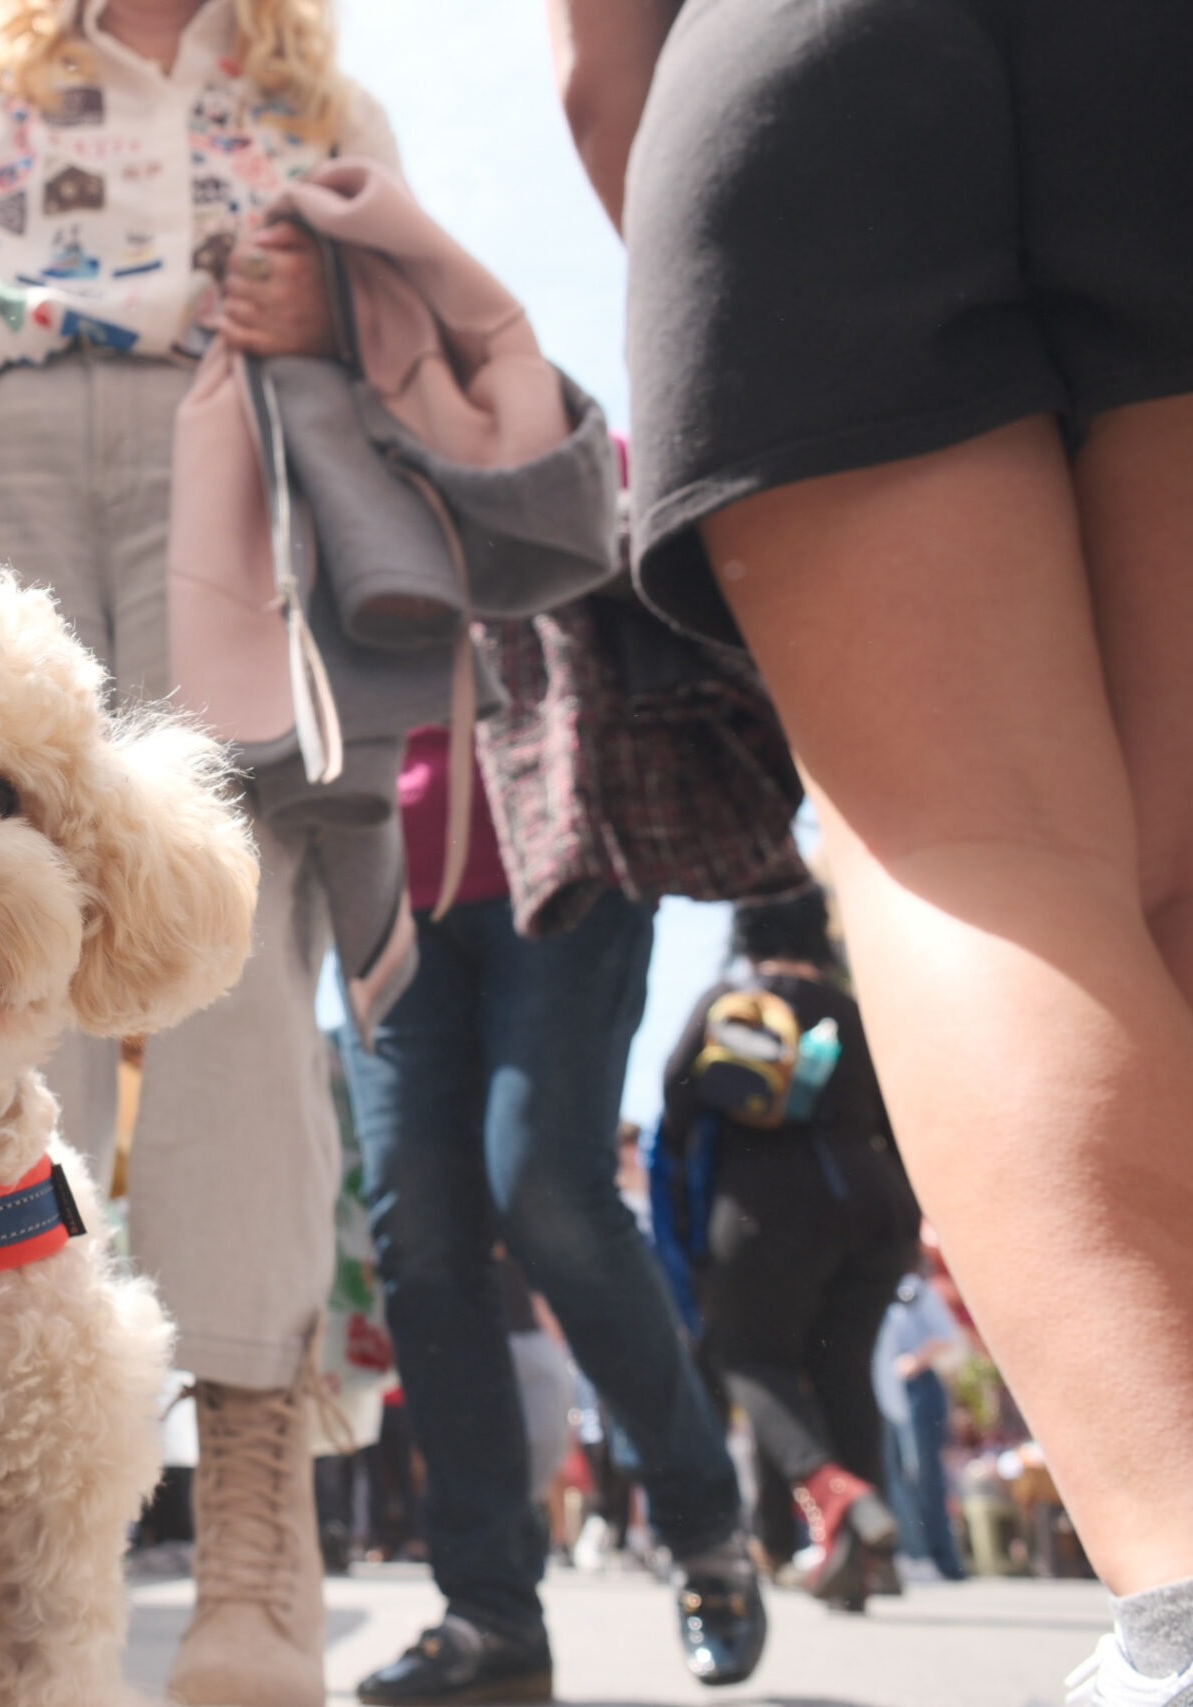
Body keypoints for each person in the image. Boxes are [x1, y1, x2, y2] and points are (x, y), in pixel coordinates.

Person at [546, 2, 1193, 1697]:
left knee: (974, 853)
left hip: (796, 83)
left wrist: (721, 241)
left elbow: (598, 74)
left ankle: (1186, 1600)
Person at [0, 3, 397, 1700]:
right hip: (4, 450)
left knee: (236, 964)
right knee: (5, 998)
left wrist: (333, 312)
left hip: (236, 450)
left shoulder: (311, 89)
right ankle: (13, 1560)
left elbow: (406, 295)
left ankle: (252, 1544)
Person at [342, 727, 763, 1702]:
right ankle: (490, 1612)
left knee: (545, 1188)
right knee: (420, 1234)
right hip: (382, 866)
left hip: (559, 826)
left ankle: (704, 1530)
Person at [660, 888, 920, 1609]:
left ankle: (833, 1494)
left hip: (760, 1216)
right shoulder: (854, 1012)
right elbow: (904, 1121)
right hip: (874, 1210)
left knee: (746, 1356)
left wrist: (684, 1241)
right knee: (843, 1370)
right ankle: (850, 1563)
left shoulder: (728, 1005)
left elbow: (674, 1122)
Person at [876, 1253, 969, 1582]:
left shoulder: (915, 1290)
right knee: (903, 1476)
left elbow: (945, 1333)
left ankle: (942, 1559)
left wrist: (913, 1361)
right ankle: (918, 1554)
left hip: (919, 1389)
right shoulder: (880, 1291)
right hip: (893, 1393)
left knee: (925, 1476)